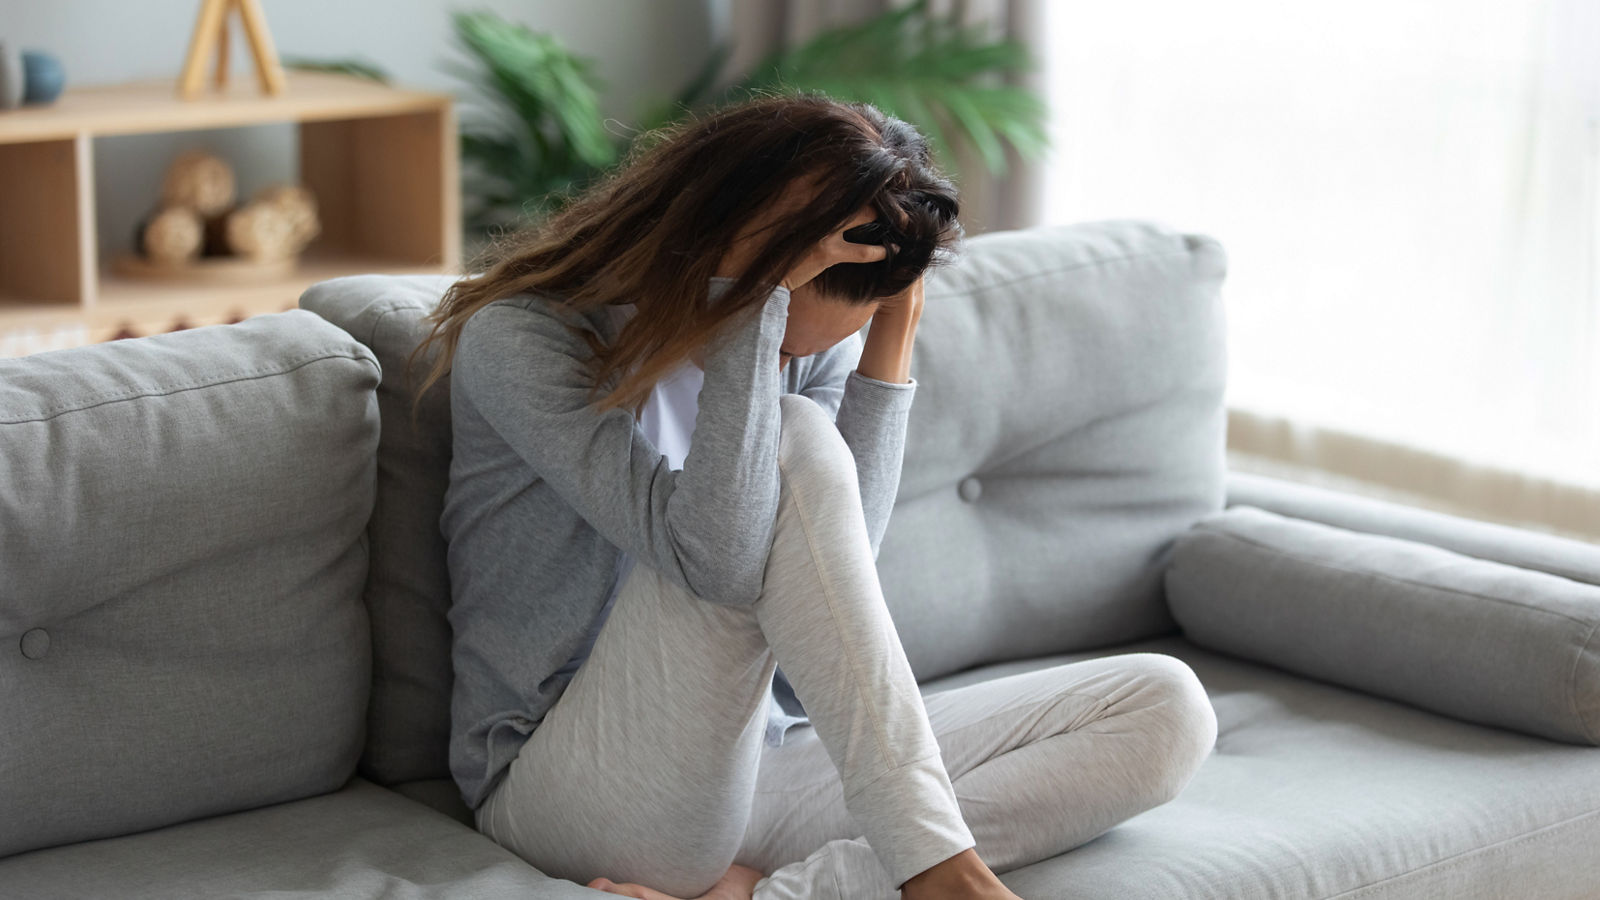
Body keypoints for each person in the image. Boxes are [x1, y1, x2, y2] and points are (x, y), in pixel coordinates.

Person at [408, 93, 1219, 900]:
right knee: (794, 436)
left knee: (1165, 707)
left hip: (761, 759)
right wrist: (748, 312)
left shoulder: (815, 339)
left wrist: (890, 340)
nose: (793, 357)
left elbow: (838, 567)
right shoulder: (523, 339)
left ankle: (783, 893)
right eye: (784, 325)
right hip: (571, 789)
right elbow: (720, 563)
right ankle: (938, 871)